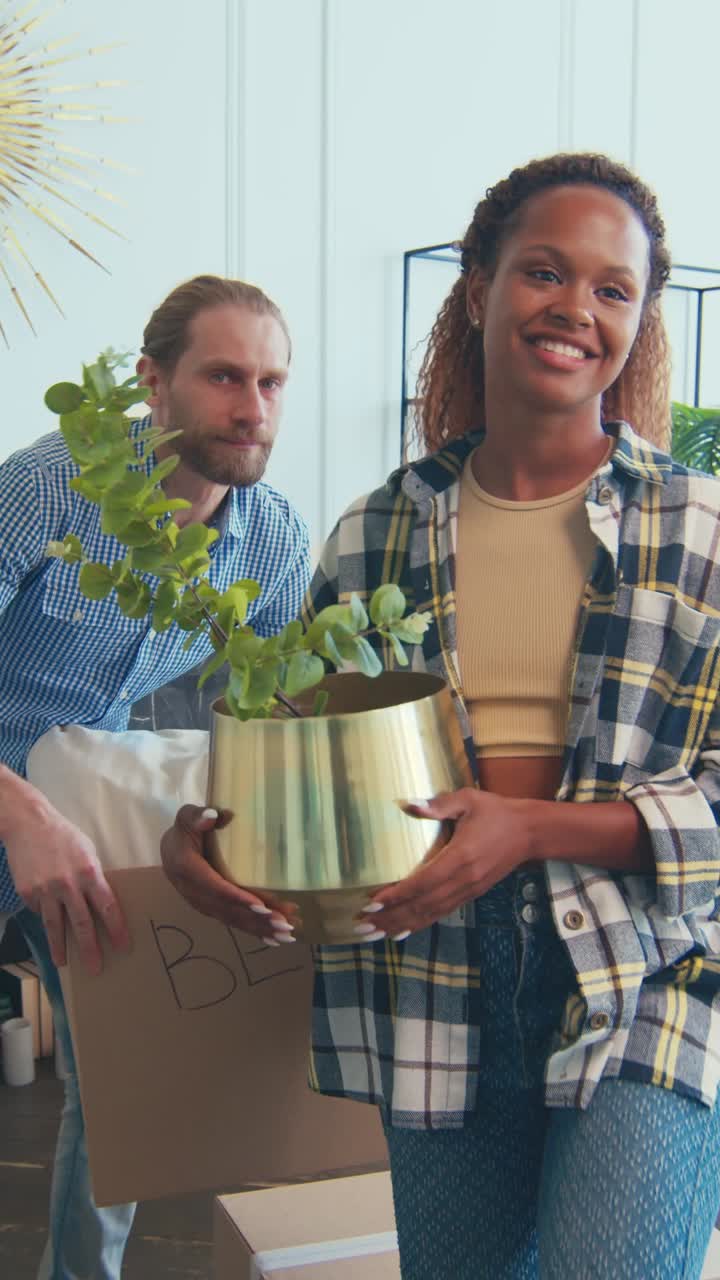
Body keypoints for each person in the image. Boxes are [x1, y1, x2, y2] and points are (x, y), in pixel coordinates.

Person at [160, 156, 720, 1278]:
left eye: (615, 290)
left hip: (649, 969)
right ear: (479, 285)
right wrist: (199, 837)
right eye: (545, 273)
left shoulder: (698, 526)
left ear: (641, 319)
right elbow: (290, 757)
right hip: (431, 981)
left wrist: (534, 829)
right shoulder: (375, 535)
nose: (576, 309)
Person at [0, 273, 310, 1280]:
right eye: (225, 374)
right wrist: (21, 812)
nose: (251, 406)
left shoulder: (270, 539)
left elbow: (269, 720)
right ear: (152, 382)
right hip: (15, 794)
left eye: (270, 380)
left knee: (118, 1075)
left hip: (83, 809)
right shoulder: (44, 491)